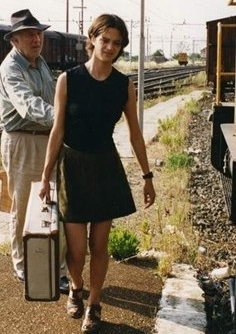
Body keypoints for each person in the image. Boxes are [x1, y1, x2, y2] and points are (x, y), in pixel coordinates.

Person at [39, 14, 156, 333]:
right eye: (105, 40)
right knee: (76, 249)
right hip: (72, 168)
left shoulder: (123, 85)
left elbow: (134, 134)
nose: (110, 47)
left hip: (105, 168)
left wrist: (147, 177)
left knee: (99, 245)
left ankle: (93, 303)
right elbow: (58, 130)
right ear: (92, 40)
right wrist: (47, 174)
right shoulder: (69, 79)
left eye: (117, 43)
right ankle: (75, 288)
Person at [0, 9, 69, 293]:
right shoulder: (11, 69)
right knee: (24, 204)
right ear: (15, 40)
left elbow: (52, 98)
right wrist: (65, 117)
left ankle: (57, 268)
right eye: (30, 34)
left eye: (39, 33)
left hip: (48, 138)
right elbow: (27, 105)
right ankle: (23, 266)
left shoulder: (40, 64)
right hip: (22, 140)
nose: (37, 38)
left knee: (56, 203)